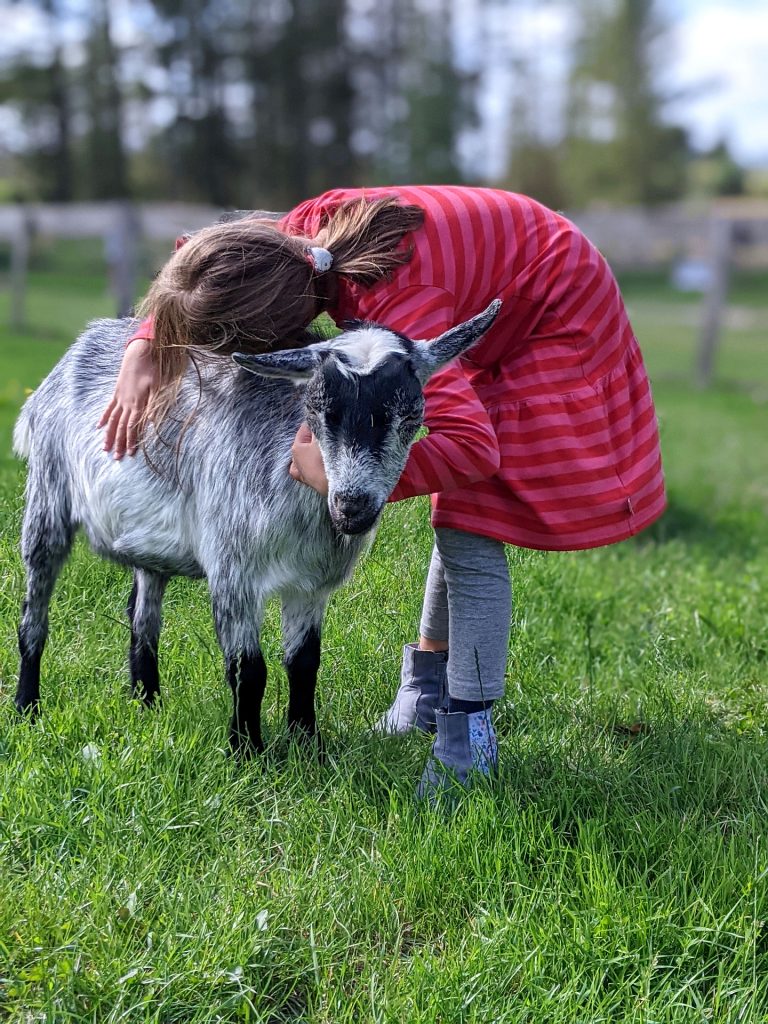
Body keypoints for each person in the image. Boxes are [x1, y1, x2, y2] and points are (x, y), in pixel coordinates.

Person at [100, 186, 666, 800]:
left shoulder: (398, 316)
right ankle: (425, 690)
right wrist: (144, 341)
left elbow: (474, 448)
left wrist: (342, 482)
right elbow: (210, 263)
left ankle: (466, 740)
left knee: (472, 519)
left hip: (553, 307)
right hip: (499, 279)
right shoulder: (296, 241)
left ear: (285, 330)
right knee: (458, 515)